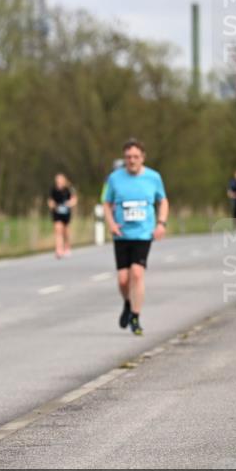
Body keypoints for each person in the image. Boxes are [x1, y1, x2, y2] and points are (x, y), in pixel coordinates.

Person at [103, 138, 169, 337]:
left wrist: (161, 223)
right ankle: (128, 302)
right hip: (122, 234)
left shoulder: (153, 177)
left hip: (143, 233)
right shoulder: (115, 178)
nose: (132, 160)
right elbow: (106, 203)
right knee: (123, 280)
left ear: (143, 157)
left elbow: (163, 201)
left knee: (137, 273)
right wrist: (111, 224)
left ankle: (135, 317)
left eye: (135, 157)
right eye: (128, 157)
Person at [48, 173, 77, 258]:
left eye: (60, 180)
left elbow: (74, 200)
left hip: (66, 213)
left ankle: (67, 247)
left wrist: (69, 204)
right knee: (58, 230)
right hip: (57, 213)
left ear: (64, 181)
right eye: (57, 181)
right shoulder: (53, 189)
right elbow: (50, 200)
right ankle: (59, 249)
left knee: (65, 231)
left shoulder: (69, 189)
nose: (59, 182)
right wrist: (53, 205)